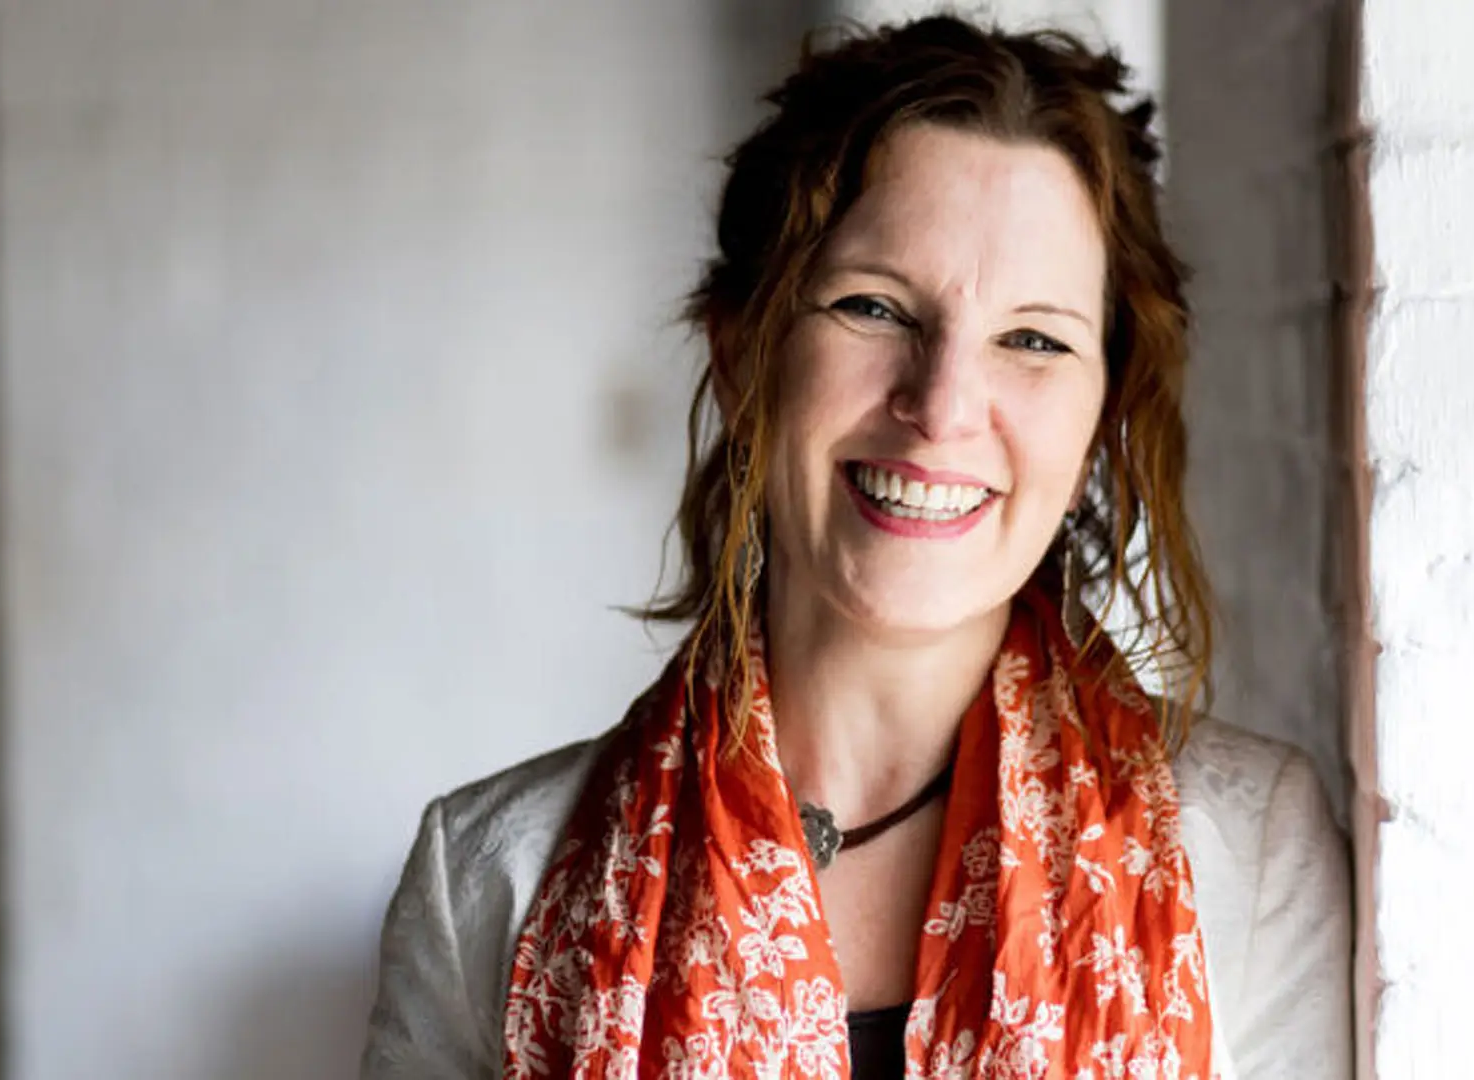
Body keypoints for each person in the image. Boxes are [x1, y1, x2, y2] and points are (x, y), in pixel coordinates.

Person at [362, 14, 1349, 1079]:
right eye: (875, 307)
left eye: (1032, 338)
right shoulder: (486, 885)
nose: (943, 406)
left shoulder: (1248, 859)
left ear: (1102, 414)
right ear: (743, 354)